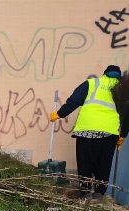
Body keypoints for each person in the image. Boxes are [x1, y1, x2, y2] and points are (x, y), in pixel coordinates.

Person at [50, 65, 129, 200]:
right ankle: (99, 193)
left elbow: (74, 101)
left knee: (85, 161)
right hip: (109, 132)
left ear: (104, 74)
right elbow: (127, 115)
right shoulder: (123, 89)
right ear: (119, 76)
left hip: (87, 129)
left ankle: (86, 192)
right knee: (104, 163)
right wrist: (123, 135)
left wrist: (59, 114)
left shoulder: (92, 83)